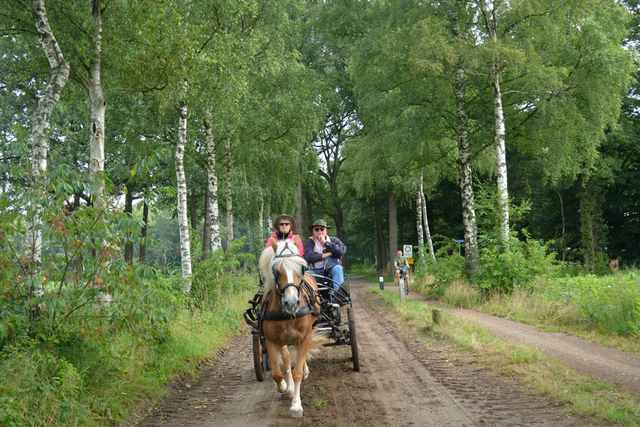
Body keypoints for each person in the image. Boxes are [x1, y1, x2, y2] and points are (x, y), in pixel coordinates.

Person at [303, 219, 346, 294]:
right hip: (315, 271)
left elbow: (341, 251)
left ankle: (338, 295)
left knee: (338, 268)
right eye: (317, 229)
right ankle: (308, 298)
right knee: (303, 276)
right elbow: (309, 257)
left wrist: (326, 243)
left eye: (322, 229)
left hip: (331, 270)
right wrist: (329, 254)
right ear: (313, 231)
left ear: (326, 230)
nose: (319, 231)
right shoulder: (310, 242)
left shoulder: (334, 240)